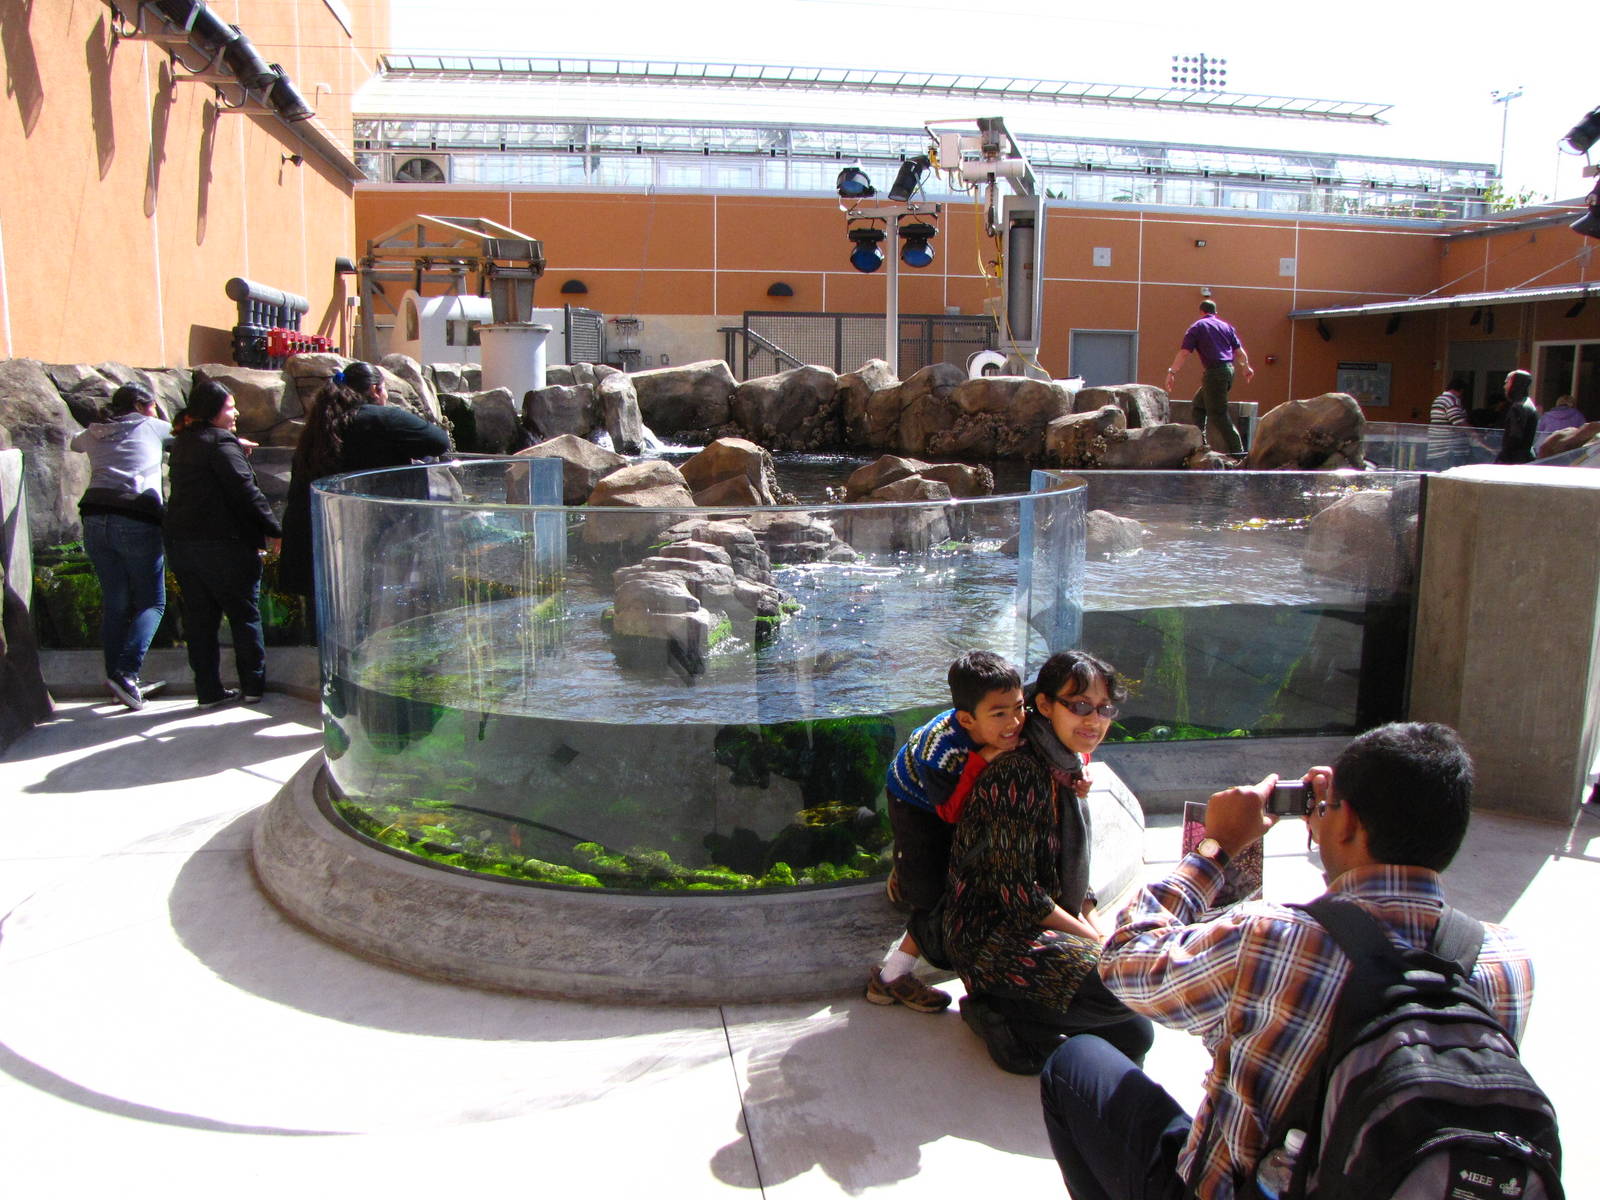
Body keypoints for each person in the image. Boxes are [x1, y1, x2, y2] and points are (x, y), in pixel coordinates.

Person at [1040, 722, 1535, 1200]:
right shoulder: (1508, 961)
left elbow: (1123, 961)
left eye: (1330, 805)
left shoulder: (1272, 938)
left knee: (1074, 1063)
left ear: (1350, 824)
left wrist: (1216, 848)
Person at [944, 650, 1153, 1075]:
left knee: (1136, 1034)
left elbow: (1072, 869)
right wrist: (1098, 947)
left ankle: (1037, 1009)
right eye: (1078, 707)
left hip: (1040, 920)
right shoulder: (1017, 773)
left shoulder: (1064, 765)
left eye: (1104, 709)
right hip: (992, 934)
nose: (1093, 721)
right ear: (1044, 705)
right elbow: (1020, 896)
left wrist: (1097, 934)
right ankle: (996, 1009)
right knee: (1116, 992)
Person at [866, 650, 1026, 1013]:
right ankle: (889, 979)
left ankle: (906, 869)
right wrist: (983, 759)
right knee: (932, 894)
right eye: (999, 714)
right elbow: (950, 811)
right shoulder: (940, 750)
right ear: (967, 719)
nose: (1014, 721)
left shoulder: (1011, 723)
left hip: (952, 796)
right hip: (915, 802)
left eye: (1018, 707)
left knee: (950, 865)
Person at [279, 361, 452, 604]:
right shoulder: (381, 418)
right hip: (370, 535)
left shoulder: (319, 425)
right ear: (374, 390)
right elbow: (439, 441)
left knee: (330, 617)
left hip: (318, 537)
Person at [165, 375, 282, 707]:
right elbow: (245, 491)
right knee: (244, 616)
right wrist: (273, 528)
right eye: (230, 408)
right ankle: (253, 687)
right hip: (225, 546)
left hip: (184, 545)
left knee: (200, 622)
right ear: (214, 411)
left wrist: (234, 448)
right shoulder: (220, 444)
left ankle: (208, 691)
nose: (236, 414)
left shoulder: (185, 441)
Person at [70, 382, 173, 710]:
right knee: (152, 602)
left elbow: (75, 443)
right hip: (135, 518)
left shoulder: (96, 431)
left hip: (94, 518)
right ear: (145, 406)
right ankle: (127, 673)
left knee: (115, 602)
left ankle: (118, 679)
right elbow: (191, 436)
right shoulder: (152, 426)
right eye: (154, 406)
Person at [1165, 300, 1253, 456]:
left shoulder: (1197, 327)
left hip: (1215, 373)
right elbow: (1240, 352)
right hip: (1228, 371)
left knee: (1218, 414)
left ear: (1201, 312)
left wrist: (1172, 372)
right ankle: (1201, 445)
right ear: (1215, 312)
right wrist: (1246, 366)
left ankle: (1239, 453)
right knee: (1199, 405)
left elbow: (1184, 353)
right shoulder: (1226, 327)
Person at [1427, 378, 1484, 468]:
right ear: (1461, 391)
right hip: (1449, 450)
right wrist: (1475, 434)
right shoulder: (1451, 400)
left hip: (1437, 448)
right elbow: (1458, 421)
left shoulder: (1438, 399)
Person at [1496, 369, 1539, 464]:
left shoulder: (1519, 407)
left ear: (1515, 384)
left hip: (1514, 460)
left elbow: (1514, 437)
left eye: (1507, 382)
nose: (1504, 387)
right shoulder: (1528, 404)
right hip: (1524, 458)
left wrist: (1501, 458)